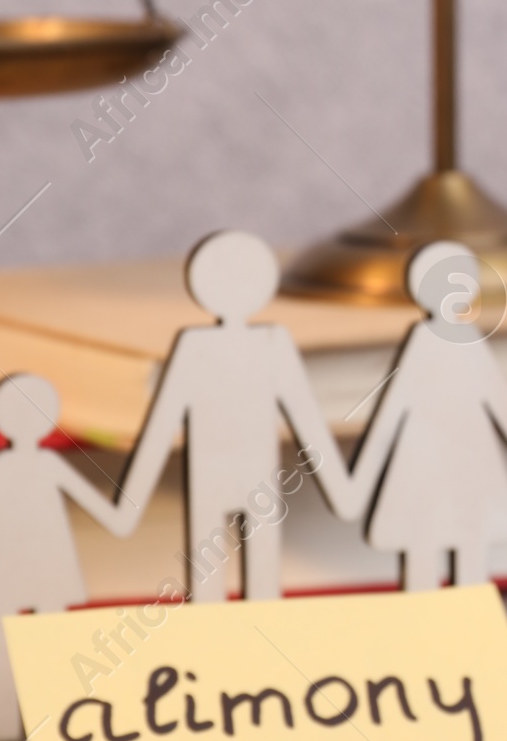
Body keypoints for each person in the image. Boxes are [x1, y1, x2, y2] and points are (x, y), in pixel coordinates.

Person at [116, 230, 348, 602]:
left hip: (257, 474)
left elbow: (304, 415)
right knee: (210, 573)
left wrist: (339, 487)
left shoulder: (271, 343)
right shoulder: (197, 347)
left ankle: (254, 642)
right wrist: (130, 498)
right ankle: (217, 648)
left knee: (261, 574)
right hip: (211, 472)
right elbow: (163, 421)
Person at [333, 242, 507, 589]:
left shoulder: (463, 341)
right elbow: (392, 414)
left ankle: (467, 638)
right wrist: (356, 484)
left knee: (464, 554)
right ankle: (428, 641)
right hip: (428, 470)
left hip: (464, 470)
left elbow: (504, 408)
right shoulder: (427, 343)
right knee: (429, 556)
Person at [0, 373, 132, 739]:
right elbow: (112, 516)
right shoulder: (15, 466)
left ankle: (52, 723)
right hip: (20, 568)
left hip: (37, 567)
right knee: (30, 640)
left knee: (49, 640)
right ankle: (18, 725)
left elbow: (110, 515)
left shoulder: (26, 466)